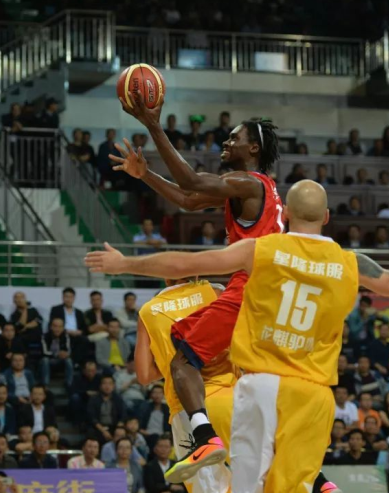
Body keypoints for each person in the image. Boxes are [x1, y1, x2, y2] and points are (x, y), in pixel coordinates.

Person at [86, 179, 389, 490]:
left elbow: (186, 262)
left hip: (261, 387)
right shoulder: (351, 264)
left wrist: (125, 263)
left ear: (286, 215)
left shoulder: (262, 250)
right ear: (327, 217)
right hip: (314, 395)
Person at [112, 95, 283, 465]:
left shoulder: (247, 182)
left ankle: (204, 438)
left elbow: (190, 180)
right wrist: (145, 175)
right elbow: (189, 200)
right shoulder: (257, 190)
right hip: (272, 296)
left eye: (234, 138)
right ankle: (311, 476)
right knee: (255, 382)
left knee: (182, 361)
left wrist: (153, 125)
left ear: (253, 148)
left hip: (250, 290)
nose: (226, 141)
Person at [135, 277, 235, 492]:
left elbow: (144, 375)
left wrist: (167, 359)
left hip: (187, 407)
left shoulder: (148, 311)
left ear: (165, 276)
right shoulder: (215, 292)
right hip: (231, 397)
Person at [40, 318, 73, 387]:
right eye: (55, 326)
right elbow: (44, 352)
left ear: (63, 328)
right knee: (45, 360)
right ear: (51, 327)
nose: (57, 329)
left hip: (61, 360)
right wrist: (57, 354)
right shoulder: (45, 336)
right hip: (49, 360)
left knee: (69, 360)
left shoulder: (66, 336)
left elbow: (68, 350)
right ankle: (45, 385)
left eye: (60, 327)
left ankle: (69, 384)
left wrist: (65, 354)